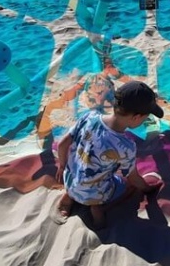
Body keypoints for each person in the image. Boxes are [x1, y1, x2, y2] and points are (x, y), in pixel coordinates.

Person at [55, 81, 163, 228]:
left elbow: (62, 144)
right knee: (123, 187)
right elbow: (133, 178)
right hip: (93, 194)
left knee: (80, 175)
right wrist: (149, 189)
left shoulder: (89, 117)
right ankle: (98, 216)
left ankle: (68, 198)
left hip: (70, 180)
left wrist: (62, 166)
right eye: (146, 118)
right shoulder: (126, 146)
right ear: (136, 117)